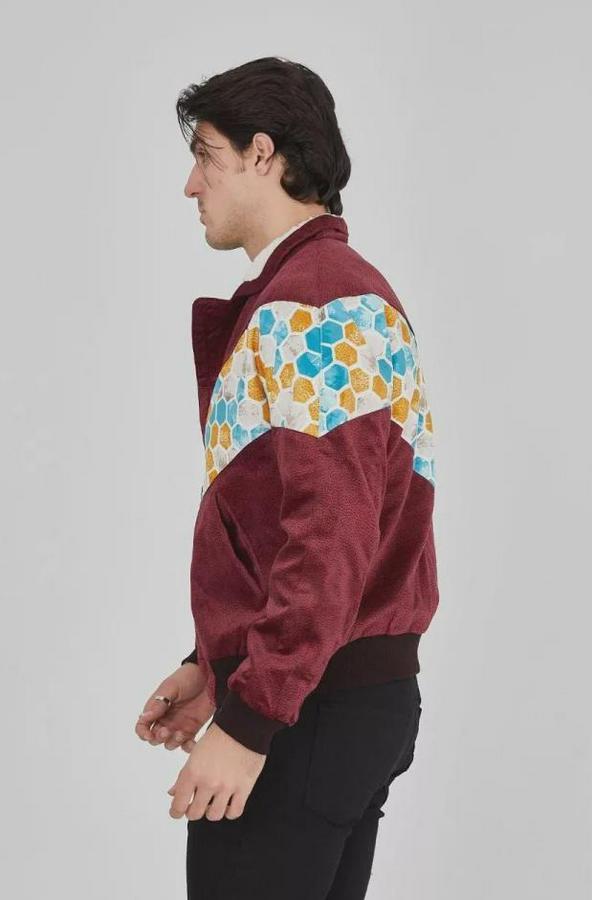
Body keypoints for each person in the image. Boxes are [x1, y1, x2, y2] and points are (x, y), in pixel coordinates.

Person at [134, 56, 439, 899]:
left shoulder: (316, 307)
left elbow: (331, 536)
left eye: (206, 156)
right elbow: (289, 526)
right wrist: (214, 662)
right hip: (330, 699)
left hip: (308, 710)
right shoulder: (323, 295)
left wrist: (253, 717)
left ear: (263, 154)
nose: (190, 185)